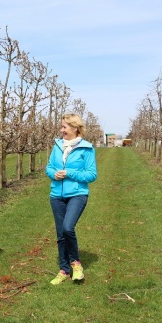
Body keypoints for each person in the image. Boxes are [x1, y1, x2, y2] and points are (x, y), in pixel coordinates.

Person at [45, 113, 97, 285]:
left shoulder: (87, 149)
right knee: (60, 234)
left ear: (75, 128)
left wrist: (69, 173)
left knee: (68, 228)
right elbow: (49, 168)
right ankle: (64, 270)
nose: (62, 130)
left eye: (65, 127)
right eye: (62, 126)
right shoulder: (57, 146)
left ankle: (76, 264)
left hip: (77, 194)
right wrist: (54, 174)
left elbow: (91, 175)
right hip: (56, 196)